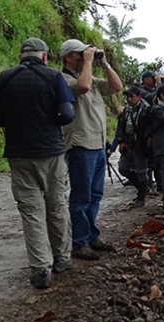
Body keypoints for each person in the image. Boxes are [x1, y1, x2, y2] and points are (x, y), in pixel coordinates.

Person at [0, 38, 75, 288]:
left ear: (20, 56)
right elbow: (67, 114)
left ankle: (41, 268)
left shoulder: (5, 77)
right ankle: (62, 258)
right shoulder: (54, 77)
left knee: (32, 212)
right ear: (45, 56)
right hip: (51, 154)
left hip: (19, 154)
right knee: (56, 205)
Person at [60, 38, 123, 260]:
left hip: (97, 145)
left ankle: (91, 236)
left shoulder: (91, 78)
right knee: (81, 196)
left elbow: (117, 87)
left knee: (95, 194)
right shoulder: (63, 80)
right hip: (80, 146)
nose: (84, 57)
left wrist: (104, 64)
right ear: (68, 57)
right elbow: (83, 86)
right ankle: (79, 242)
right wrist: (88, 61)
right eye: (80, 54)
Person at [109, 86, 150, 207]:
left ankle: (141, 197)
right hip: (128, 144)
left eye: (131, 96)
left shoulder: (146, 109)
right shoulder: (126, 110)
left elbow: (150, 128)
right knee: (123, 168)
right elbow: (119, 130)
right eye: (127, 97)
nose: (129, 99)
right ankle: (143, 189)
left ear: (139, 97)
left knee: (142, 171)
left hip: (141, 145)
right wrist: (114, 146)